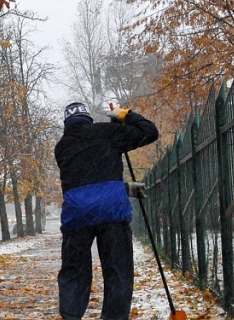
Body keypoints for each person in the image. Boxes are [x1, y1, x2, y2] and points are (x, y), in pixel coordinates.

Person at [55, 102, 159, 320]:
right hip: (112, 212)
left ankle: (71, 315)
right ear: (88, 118)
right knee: (118, 270)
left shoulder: (62, 146)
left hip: (77, 216)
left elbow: (84, 180)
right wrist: (124, 115)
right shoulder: (108, 132)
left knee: (75, 272)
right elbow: (150, 132)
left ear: (67, 123)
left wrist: (124, 188)